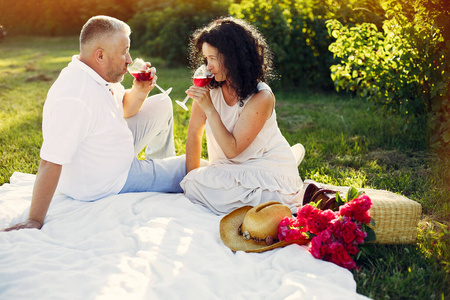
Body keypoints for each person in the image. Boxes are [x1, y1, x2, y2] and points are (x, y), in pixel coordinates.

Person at [1, 15, 186, 232]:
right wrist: (34, 219)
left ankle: (158, 172)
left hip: (108, 149)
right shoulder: (75, 97)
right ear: (100, 55)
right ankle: (158, 176)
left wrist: (140, 90)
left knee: (162, 103)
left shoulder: (96, 75)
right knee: (192, 167)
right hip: (105, 180)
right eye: (124, 52)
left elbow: (124, 110)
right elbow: (50, 162)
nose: (129, 59)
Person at [180, 16, 306, 215]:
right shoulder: (210, 87)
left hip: (262, 167)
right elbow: (194, 133)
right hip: (228, 171)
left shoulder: (261, 96)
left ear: (232, 57)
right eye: (206, 59)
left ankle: (286, 165)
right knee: (196, 184)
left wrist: (210, 109)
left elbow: (232, 150)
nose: (208, 66)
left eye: (213, 58)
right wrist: (190, 180)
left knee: (237, 198)